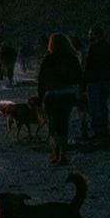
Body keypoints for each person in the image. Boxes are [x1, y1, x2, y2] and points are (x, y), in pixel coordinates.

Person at [36, 33, 83, 166]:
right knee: (63, 124)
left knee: (53, 125)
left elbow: (42, 80)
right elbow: (79, 76)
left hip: (52, 95)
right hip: (68, 95)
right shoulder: (72, 58)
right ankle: (63, 155)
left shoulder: (48, 59)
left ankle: (56, 154)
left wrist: (40, 98)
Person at [83, 28, 110, 142]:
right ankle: (104, 129)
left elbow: (89, 66)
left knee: (94, 107)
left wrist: (84, 81)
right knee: (103, 105)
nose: (89, 36)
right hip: (106, 79)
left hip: (94, 80)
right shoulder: (109, 47)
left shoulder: (94, 48)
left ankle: (97, 131)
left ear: (95, 35)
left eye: (90, 34)